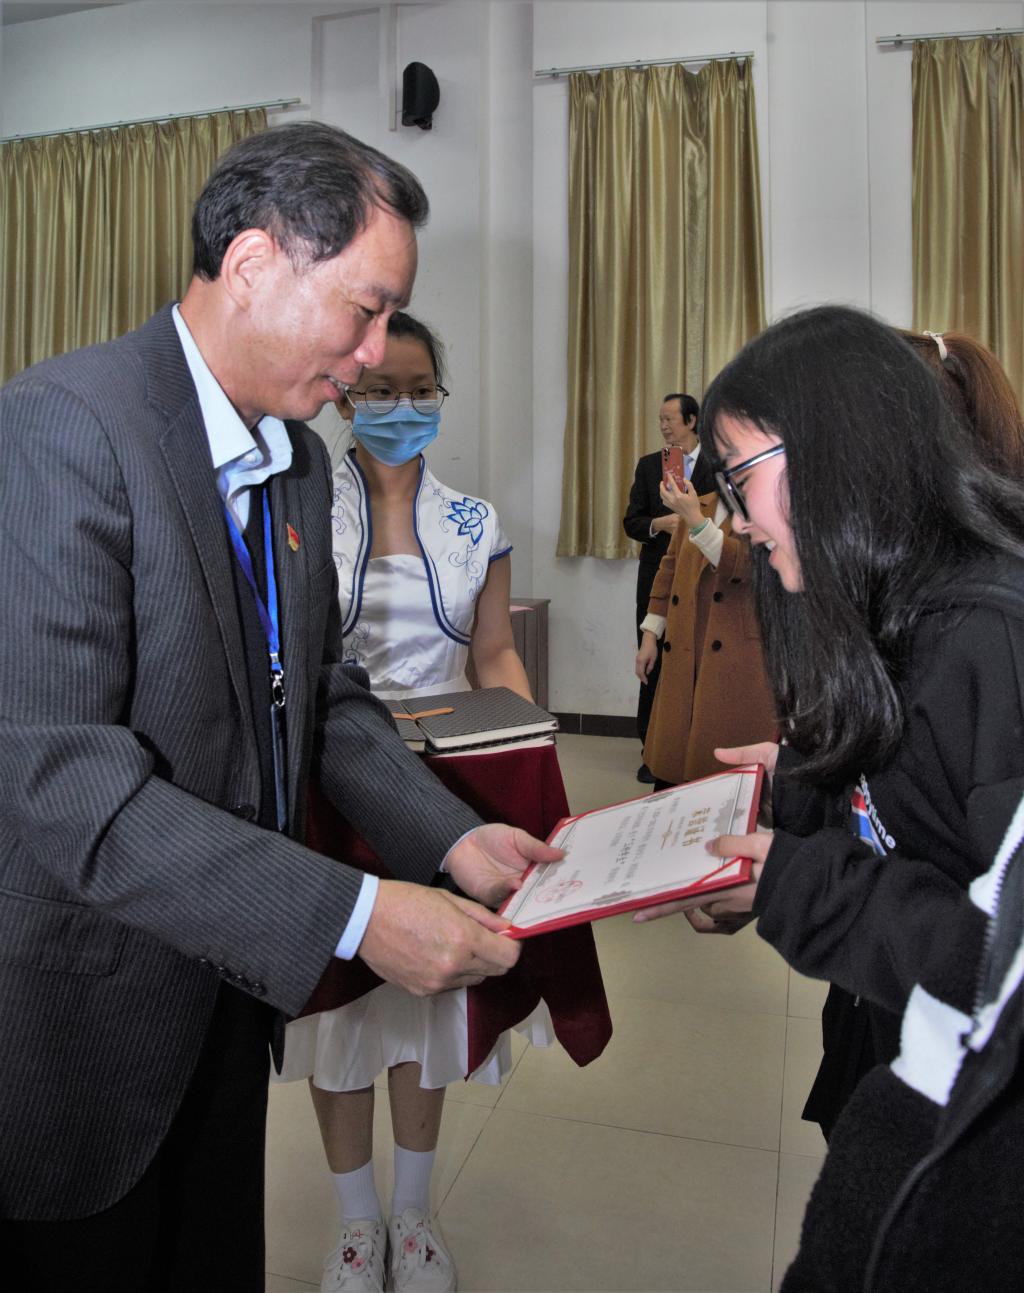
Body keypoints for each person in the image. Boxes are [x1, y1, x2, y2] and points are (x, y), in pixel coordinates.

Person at [0, 122, 562, 1292]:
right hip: (85, 1001)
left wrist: (450, 837)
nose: (373, 354)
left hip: (230, 970)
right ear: (254, 262)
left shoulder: (292, 461)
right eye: (364, 310)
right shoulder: (64, 430)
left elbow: (315, 694)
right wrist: (356, 914)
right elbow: (64, 782)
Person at [632, 305, 1024, 1144]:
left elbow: (1003, 965)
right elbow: (912, 818)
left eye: (742, 478)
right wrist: (800, 788)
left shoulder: (993, 643)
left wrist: (798, 887)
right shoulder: (897, 613)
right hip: (895, 1053)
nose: (738, 520)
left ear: (838, 456)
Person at [280, 311, 543, 1293]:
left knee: (429, 1004)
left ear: (441, 396)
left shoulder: (474, 522)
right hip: (330, 784)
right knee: (341, 1011)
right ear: (345, 395)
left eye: (420, 389)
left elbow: (494, 653)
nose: (402, 406)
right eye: (381, 389)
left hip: (445, 788)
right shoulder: (304, 508)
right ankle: (357, 1224)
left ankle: (414, 1213)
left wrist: (527, 742)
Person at [780, 789, 1024, 1291]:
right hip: (871, 1006)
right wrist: (796, 789)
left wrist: (808, 890)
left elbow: (985, 954)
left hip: (948, 1077)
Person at [634, 468, 776, 789]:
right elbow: (669, 568)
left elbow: (746, 565)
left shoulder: (768, 508)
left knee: (721, 774)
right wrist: (650, 634)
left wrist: (695, 520)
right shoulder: (701, 503)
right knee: (672, 768)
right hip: (686, 647)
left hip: (736, 659)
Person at [623, 393, 714, 782]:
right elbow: (631, 522)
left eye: (670, 419)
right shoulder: (650, 466)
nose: (663, 426)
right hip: (657, 575)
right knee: (652, 660)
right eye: (660, 419)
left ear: (691, 421)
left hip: (703, 577)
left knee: (698, 661)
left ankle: (693, 749)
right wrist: (660, 524)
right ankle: (651, 750)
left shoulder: (717, 464)